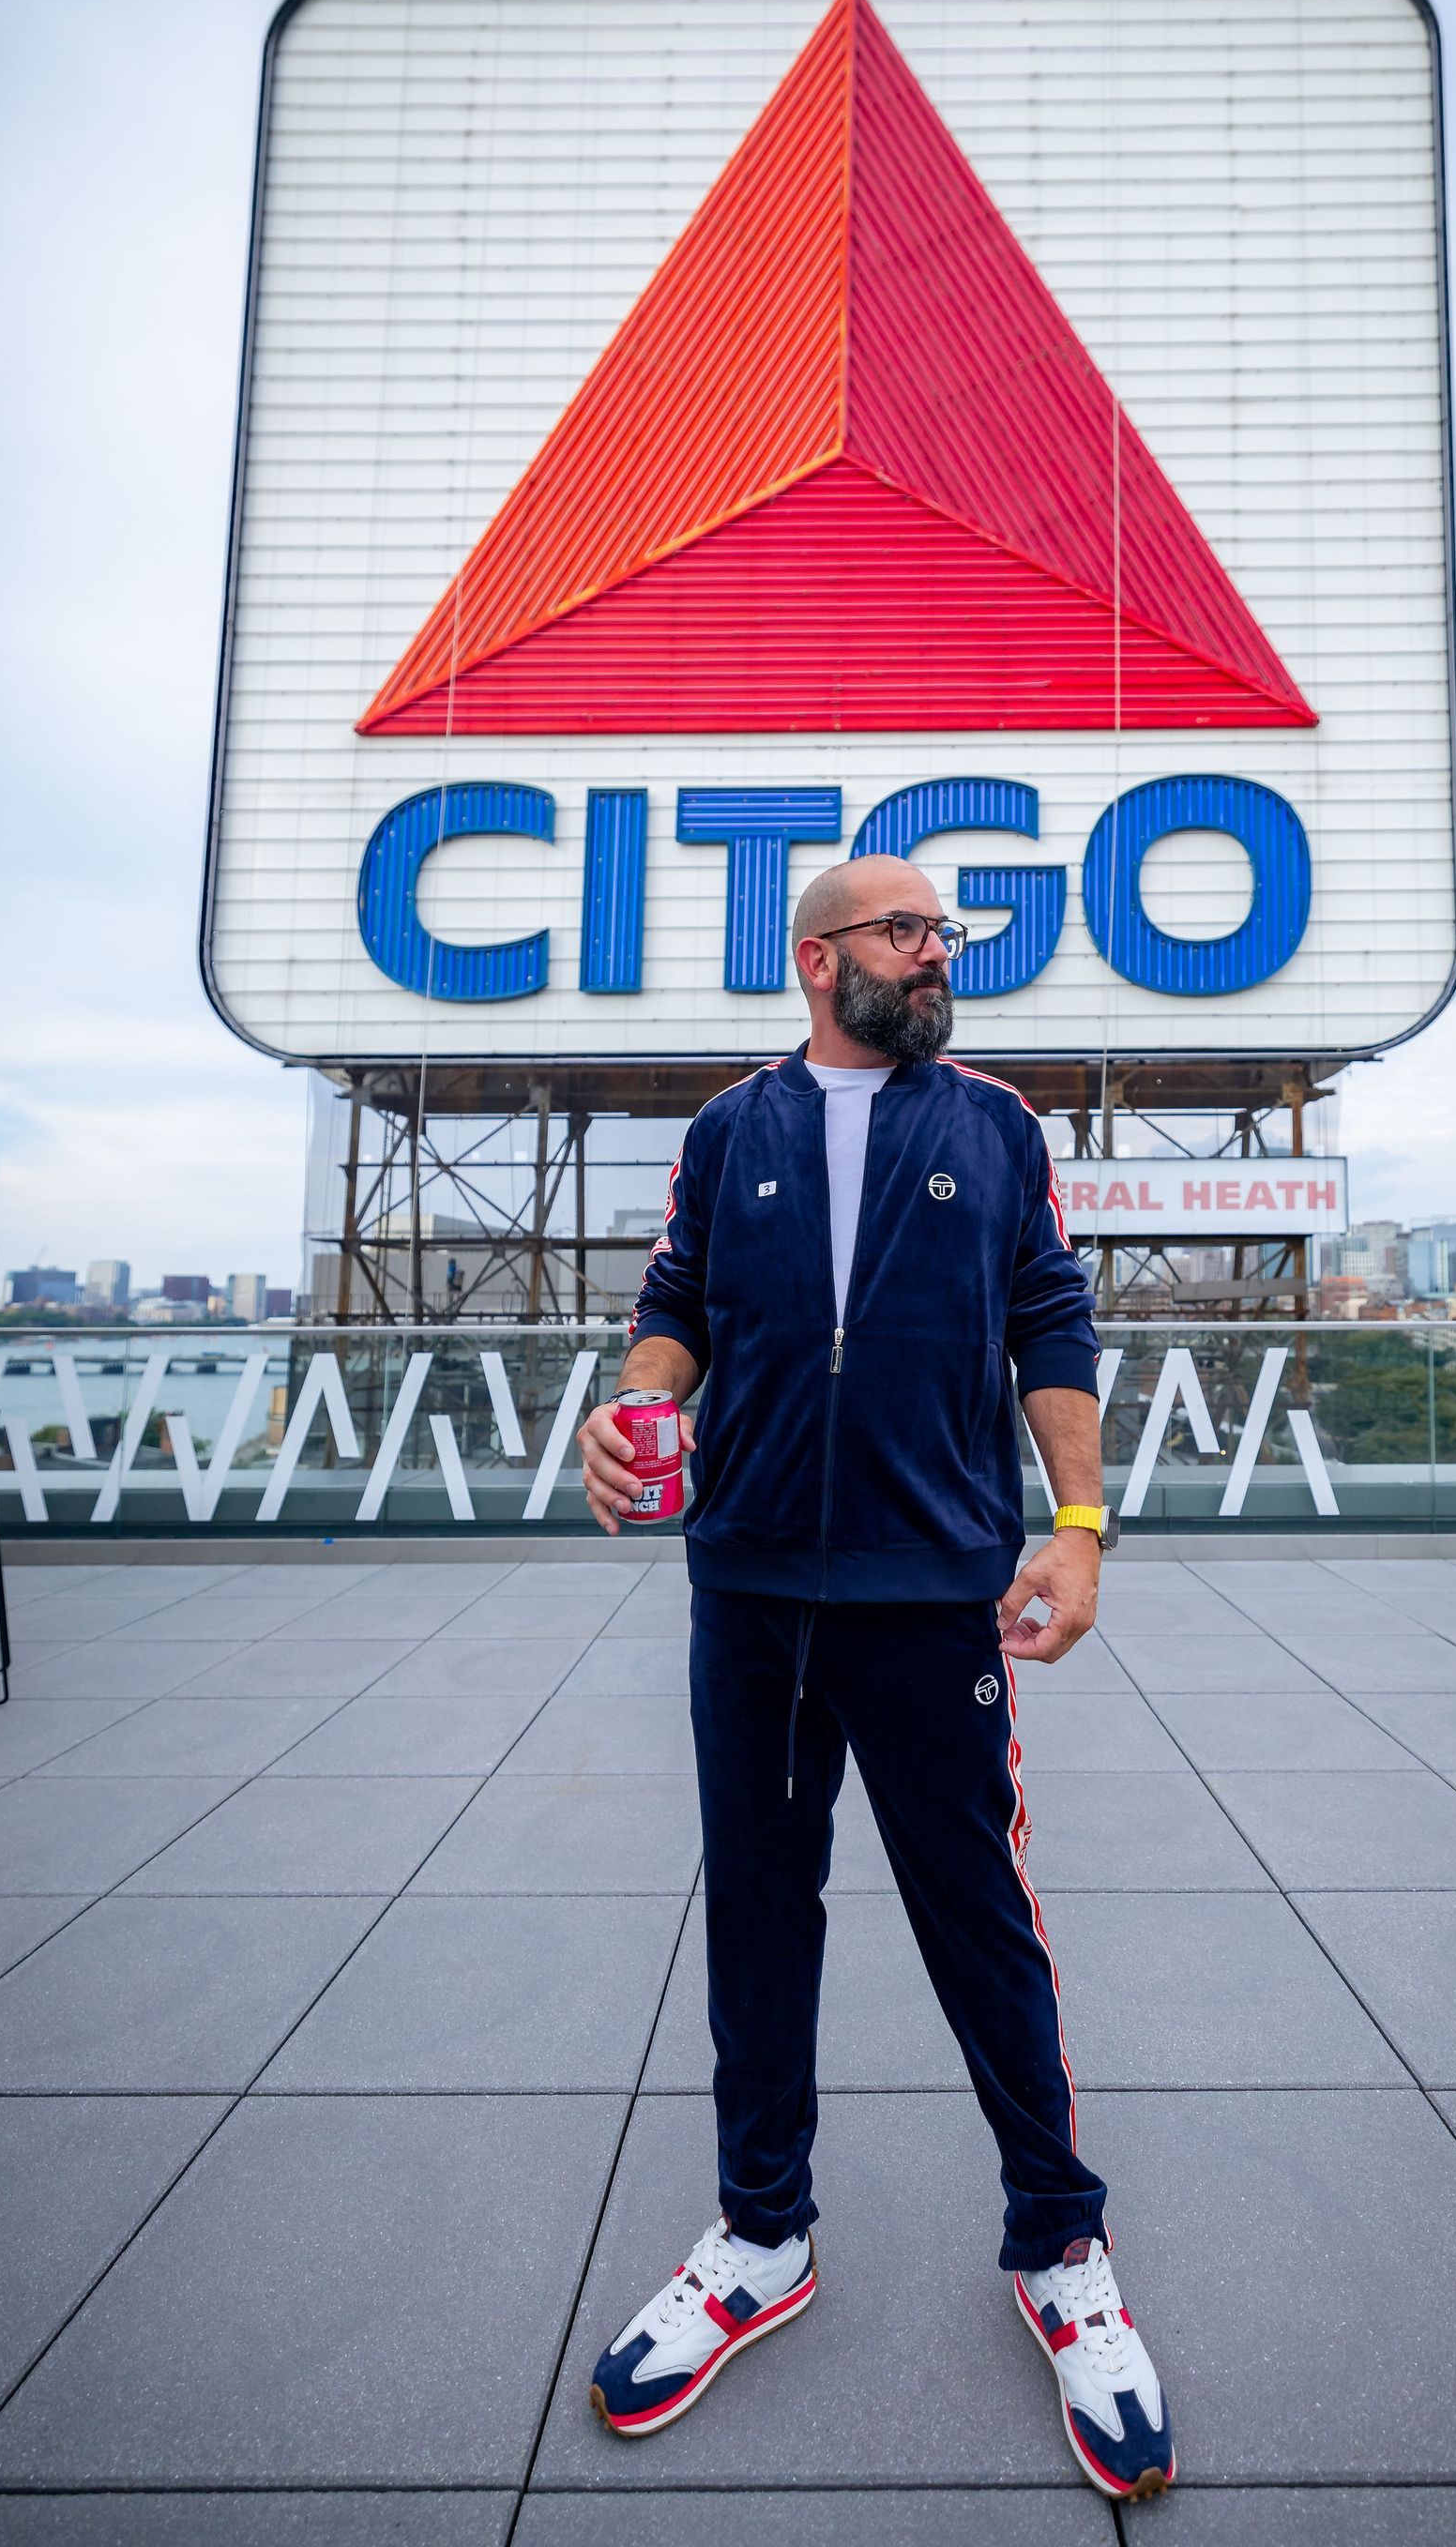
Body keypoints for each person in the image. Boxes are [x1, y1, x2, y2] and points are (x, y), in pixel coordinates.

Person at [575, 853, 1175, 2502]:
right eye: (910, 933)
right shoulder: (727, 1132)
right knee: (762, 1913)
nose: (939, 957)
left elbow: (1051, 1322)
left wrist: (1079, 1526)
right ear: (818, 957)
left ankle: (1059, 2246)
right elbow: (672, 1307)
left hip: (932, 1598)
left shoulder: (992, 1126)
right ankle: (760, 2236)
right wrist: (629, 1409)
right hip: (752, 1592)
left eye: (944, 936)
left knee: (982, 1923)